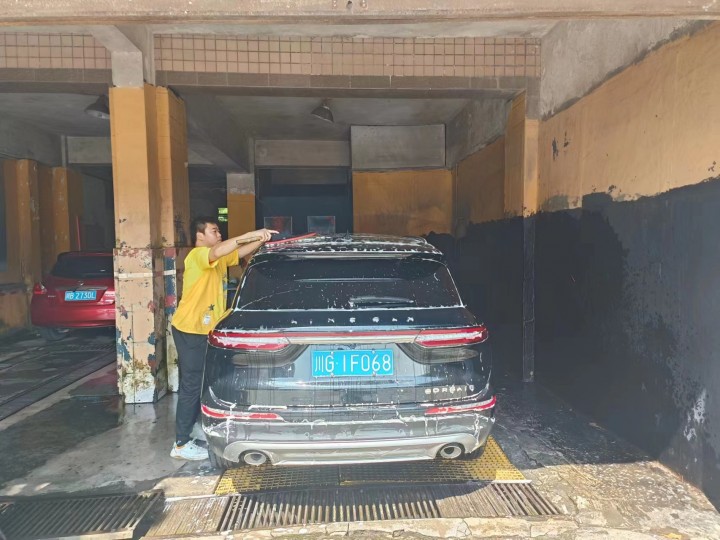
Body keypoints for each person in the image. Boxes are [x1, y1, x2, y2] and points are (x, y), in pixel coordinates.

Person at [170, 217, 277, 460]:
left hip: (205, 330)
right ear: (200, 236)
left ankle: (192, 427)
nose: (219, 235)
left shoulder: (216, 260)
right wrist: (251, 233)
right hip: (190, 330)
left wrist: (260, 240)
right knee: (192, 385)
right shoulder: (198, 255)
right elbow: (220, 250)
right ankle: (180, 444)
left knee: (203, 381)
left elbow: (237, 253)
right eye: (214, 231)